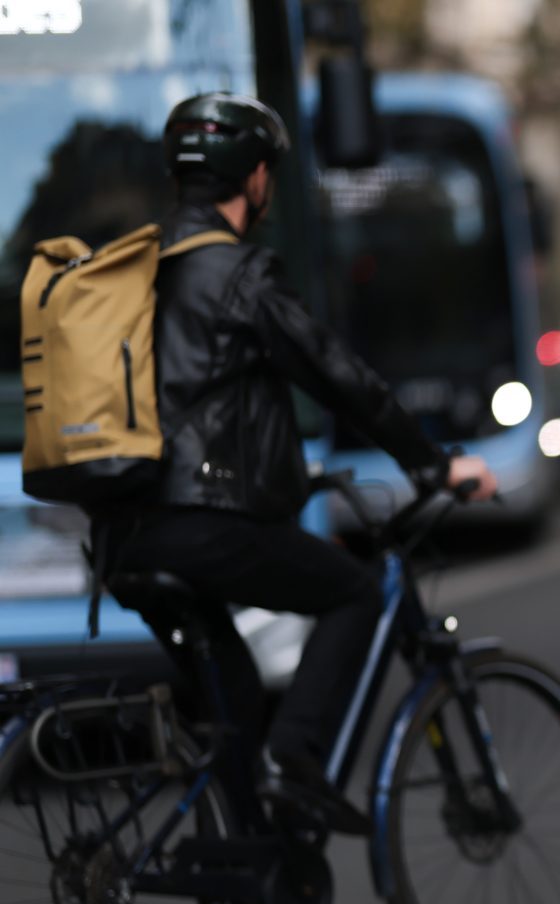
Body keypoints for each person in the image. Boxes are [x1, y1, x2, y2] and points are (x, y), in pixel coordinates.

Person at [105, 93, 497, 834]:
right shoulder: (238, 273)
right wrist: (433, 465)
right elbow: (337, 374)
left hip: (125, 533)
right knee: (355, 593)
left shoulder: (137, 270)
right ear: (254, 179)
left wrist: (290, 470)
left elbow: (198, 401)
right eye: (269, 174)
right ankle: (298, 761)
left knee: (236, 699)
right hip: (206, 525)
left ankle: (249, 894)